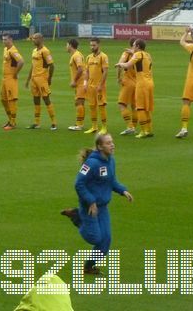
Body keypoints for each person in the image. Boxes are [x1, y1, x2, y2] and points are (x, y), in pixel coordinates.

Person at [60, 134, 133, 275]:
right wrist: (90, 200)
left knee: (105, 241)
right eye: (108, 143)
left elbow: (111, 181)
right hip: (89, 207)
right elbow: (79, 184)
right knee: (94, 238)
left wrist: (122, 190)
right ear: (100, 147)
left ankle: (88, 267)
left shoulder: (111, 161)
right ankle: (77, 217)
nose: (112, 145)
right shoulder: (91, 164)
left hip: (102, 207)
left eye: (112, 142)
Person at [116, 39, 154, 139]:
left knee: (140, 107)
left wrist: (119, 64)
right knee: (147, 108)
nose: (133, 47)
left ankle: (142, 131)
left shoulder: (136, 55)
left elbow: (128, 64)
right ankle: (149, 130)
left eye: (134, 45)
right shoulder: (148, 55)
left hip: (141, 83)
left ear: (137, 46)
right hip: (150, 82)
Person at [24, 32, 56, 130]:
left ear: (41, 39)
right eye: (33, 38)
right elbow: (33, 65)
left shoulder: (45, 51)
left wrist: (49, 79)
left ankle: (54, 123)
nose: (33, 40)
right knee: (36, 100)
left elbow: (52, 65)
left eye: (35, 38)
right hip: (34, 79)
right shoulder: (34, 51)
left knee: (46, 99)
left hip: (42, 78)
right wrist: (28, 79)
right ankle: (37, 123)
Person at [85, 37, 109, 135]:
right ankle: (94, 126)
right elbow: (86, 71)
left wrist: (101, 84)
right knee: (92, 106)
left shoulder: (103, 57)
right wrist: (85, 83)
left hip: (99, 87)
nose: (92, 47)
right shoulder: (88, 57)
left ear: (98, 45)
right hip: (90, 86)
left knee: (101, 106)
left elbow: (105, 72)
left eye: (94, 45)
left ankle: (104, 127)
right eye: (91, 45)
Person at [1, 32, 25, 130]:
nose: (4, 41)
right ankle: (10, 119)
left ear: (11, 40)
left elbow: (21, 61)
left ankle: (13, 122)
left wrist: (15, 73)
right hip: (4, 78)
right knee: (3, 99)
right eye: (3, 39)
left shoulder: (13, 50)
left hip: (11, 78)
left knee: (11, 100)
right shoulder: (5, 49)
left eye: (5, 39)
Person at [116, 37, 138, 136]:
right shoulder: (140, 55)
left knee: (122, 104)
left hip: (128, 81)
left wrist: (118, 77)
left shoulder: (126, 54)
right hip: (137, 82)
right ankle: (134, 127)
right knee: (134, 106)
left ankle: (130, 126)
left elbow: (120, 64)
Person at [66, 39, 87, 132]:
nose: (66, 47)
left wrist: (74, 81)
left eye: (66, 45)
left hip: (81, 83)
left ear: (70, 45)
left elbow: (80, 69)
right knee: (80, 102)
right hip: (80, 83)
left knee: (79, 102)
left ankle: (79, 125)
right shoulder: (75, 55)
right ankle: (80, 123)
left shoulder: (77, 55)